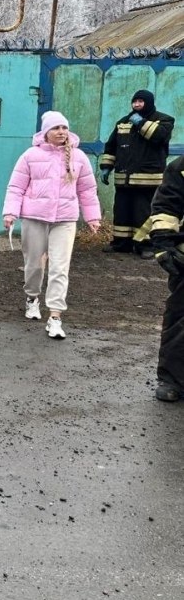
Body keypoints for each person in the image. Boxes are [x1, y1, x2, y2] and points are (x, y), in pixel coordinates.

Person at [3, 110, 102, 339]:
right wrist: (10, 212)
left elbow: (87, 190)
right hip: (35, 217)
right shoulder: (30, 155)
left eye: (64, 128)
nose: (61, 132)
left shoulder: (78, 157)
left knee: (59, 267)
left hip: (65, 219)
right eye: (56, 128)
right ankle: (32, 298)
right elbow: (16, 187)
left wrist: (92, 217)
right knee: (34, 265)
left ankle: (55, 317)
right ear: (46, 132)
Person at [98, 89, 174, 257]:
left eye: (141, 102)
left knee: (144, 213)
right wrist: (106, 166)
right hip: (123, 179)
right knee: (122, 211)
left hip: (148, 179)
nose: (137, 105)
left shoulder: (164, 120)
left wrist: (141, 123)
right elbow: (111, 146)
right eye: (135, 102)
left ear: (149, 103)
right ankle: (121, 243)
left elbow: (159, 136)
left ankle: (146, 246)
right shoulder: (123, 122)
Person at [143, 155, 184, 402]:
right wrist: (164, 246)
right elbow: (166, 208)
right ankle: (173, 380)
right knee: (180, 320)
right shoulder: (180, 168)